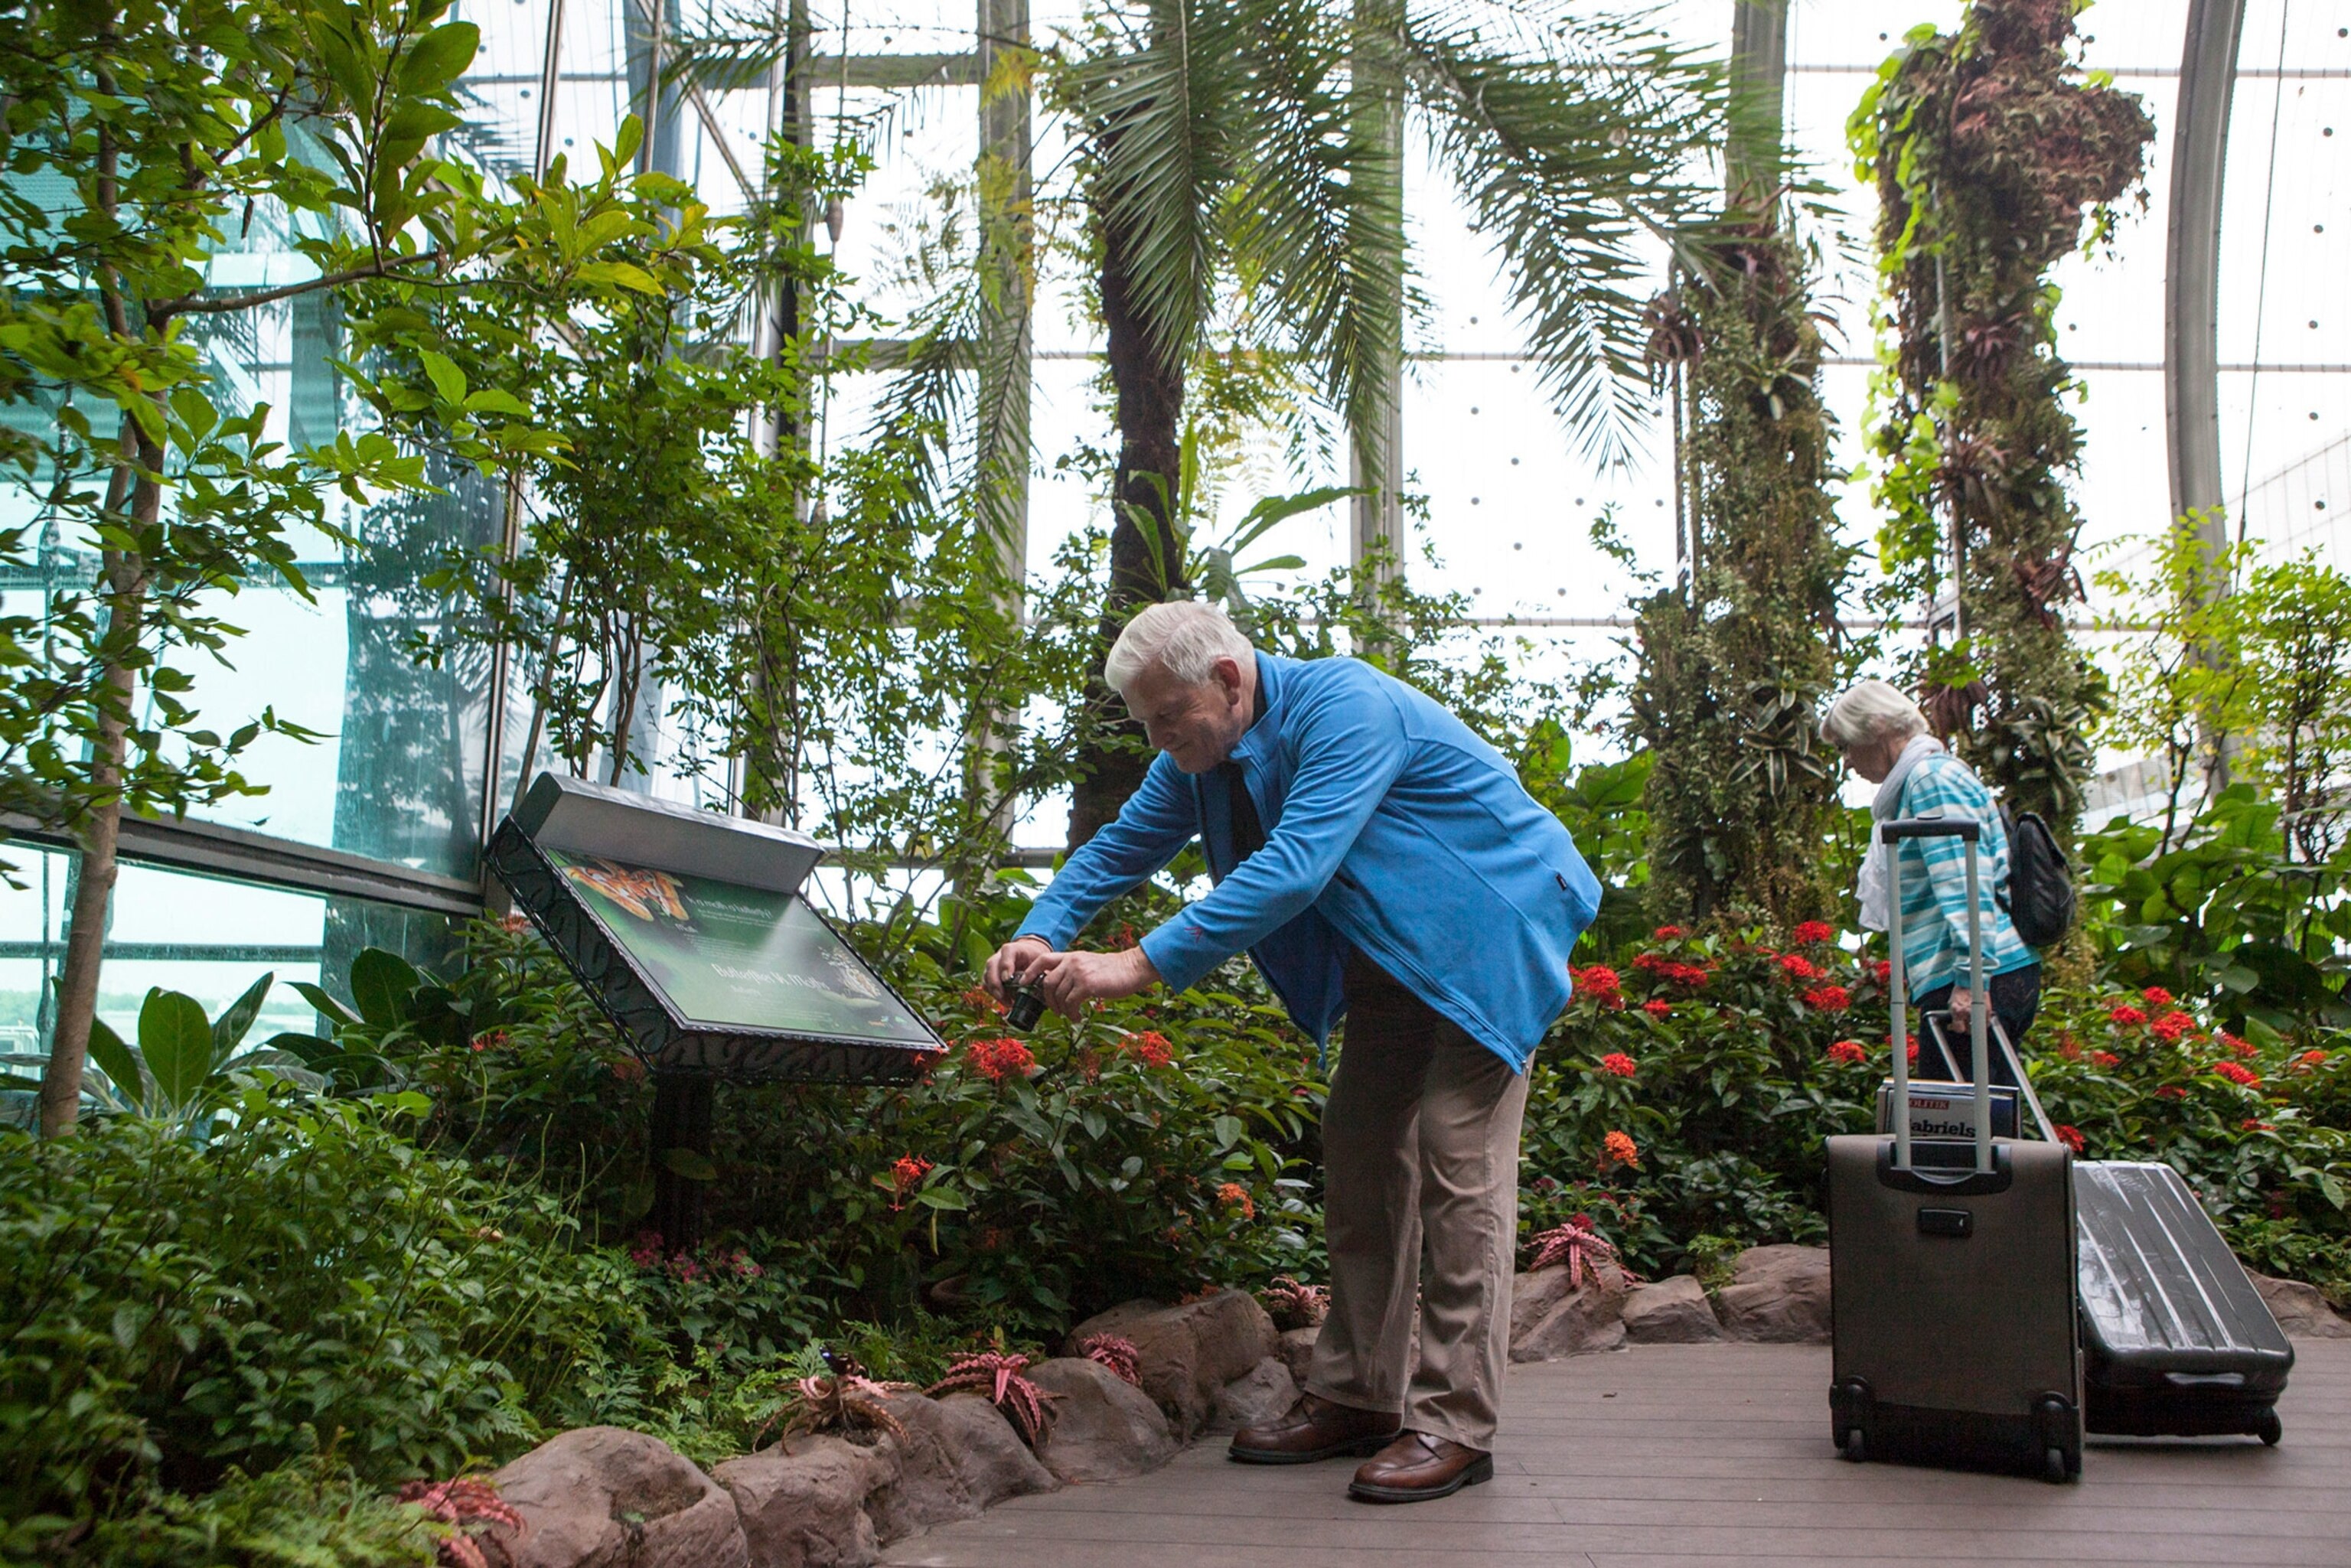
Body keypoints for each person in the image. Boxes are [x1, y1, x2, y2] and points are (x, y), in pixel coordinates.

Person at [984, 601, 1599, 1504]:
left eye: (1166, 718)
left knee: (1454, 1147)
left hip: (1488, 937)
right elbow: (1118, 847)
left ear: (1228, 680)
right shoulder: (1198, 756)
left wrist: (1137, 964)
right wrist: (1039, 934)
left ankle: (1455, 1423)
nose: (1159, 742)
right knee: (1357, 1143)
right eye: (1145, 724)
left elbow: (1298, 864)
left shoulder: (1346, 707)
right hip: (1395, 958)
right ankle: (1358, 1394)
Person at [1820, 680, 2043, 1082]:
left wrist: (1970, 985)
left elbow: (1964, 882)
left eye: (1846, 745)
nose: (1847, 761)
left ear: (1877, 728)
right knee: (1982, 1127)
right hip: (1987, 974)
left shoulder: (1927, 781)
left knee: (1952, 1132)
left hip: (1977, 980)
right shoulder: (1922, 781)